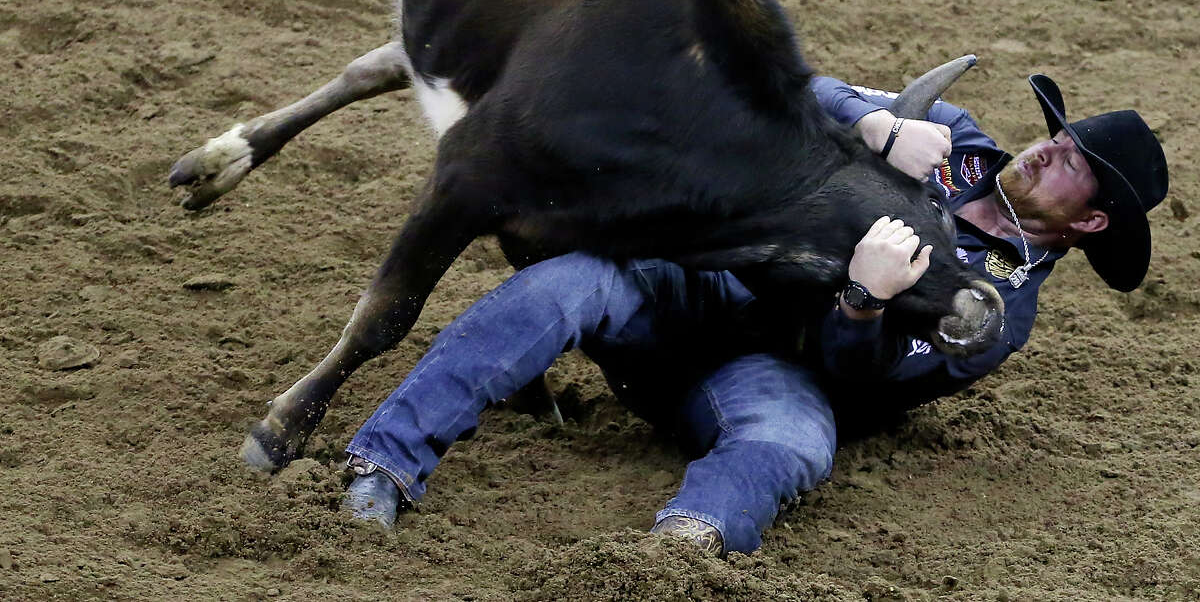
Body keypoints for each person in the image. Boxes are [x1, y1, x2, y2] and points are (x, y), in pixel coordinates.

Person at [340, 74, 1169, 557]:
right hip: (709, 284)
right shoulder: (946, 134)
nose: (1047, 149)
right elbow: (779, 83)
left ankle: (675, 556)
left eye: (1072, 165)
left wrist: (862, 300)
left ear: (1090, 223)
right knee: (569, 283)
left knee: (794, 444)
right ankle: (383, 464)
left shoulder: (997, 311)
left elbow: (866, 377)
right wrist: (873, 121)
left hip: (785, 376)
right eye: (1058, 136)